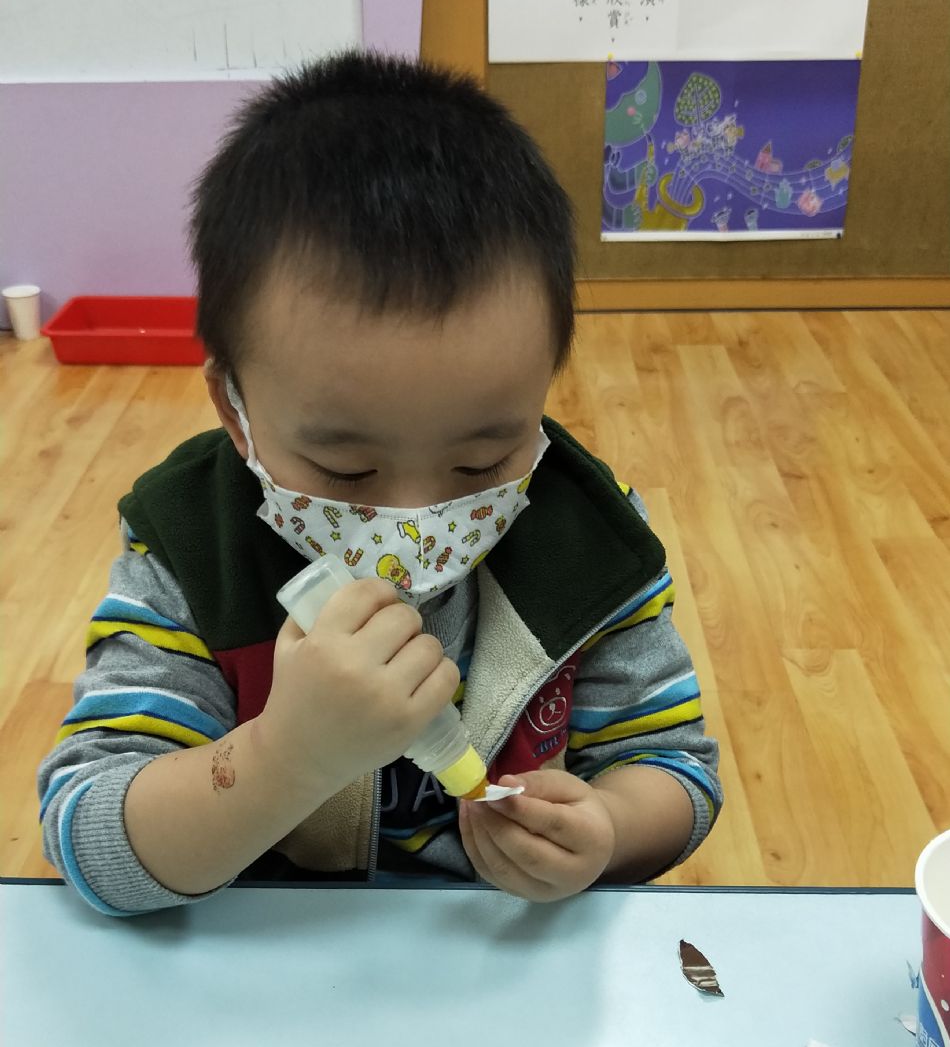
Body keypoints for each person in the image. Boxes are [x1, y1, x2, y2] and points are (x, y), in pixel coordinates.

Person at [37, 52, 722, 916]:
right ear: (234, 409)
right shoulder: (191, 547)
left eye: (481, 460)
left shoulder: (590, 540)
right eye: (346, 469)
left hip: (492, 947)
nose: (415, 519)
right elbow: (87, 830)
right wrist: (284, 758)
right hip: (274, 951)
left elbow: (676, 767)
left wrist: (610, 829)